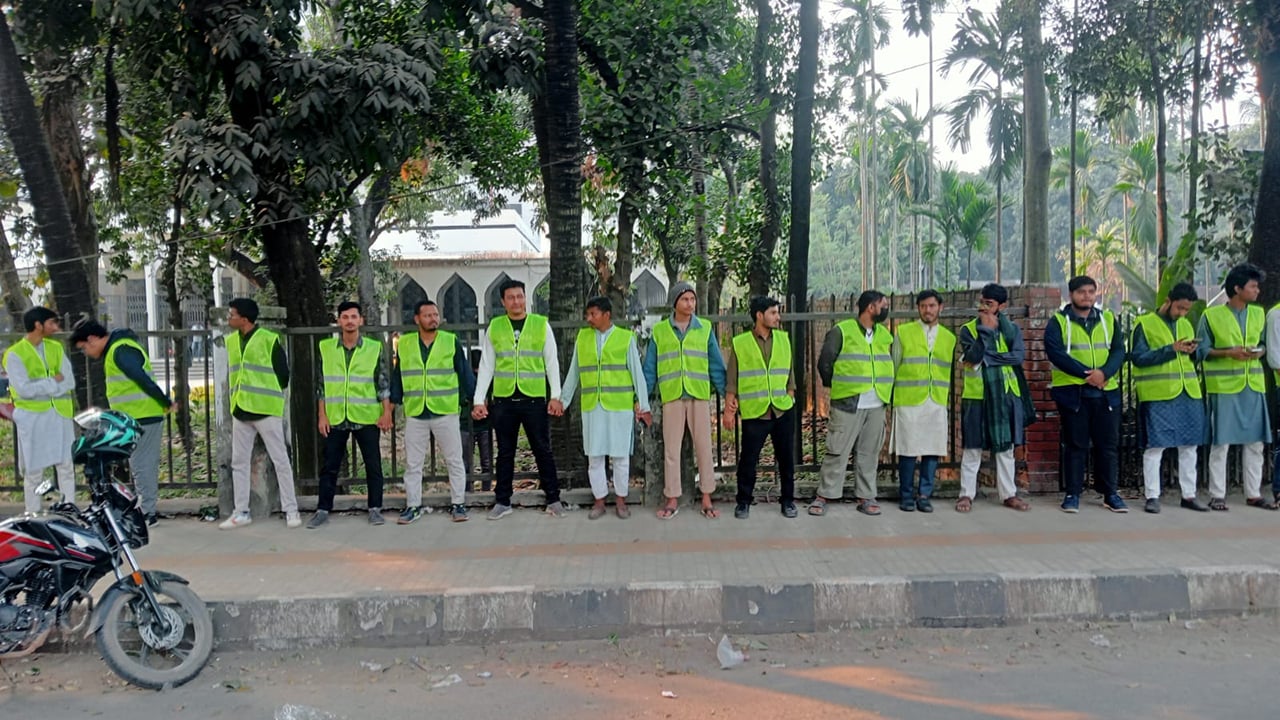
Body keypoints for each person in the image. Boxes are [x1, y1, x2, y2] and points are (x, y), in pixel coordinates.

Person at [472, 279, 563, 519]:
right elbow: (487, 365)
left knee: (542, 449)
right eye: (511, 297)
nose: (516, 301)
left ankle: (553, 498)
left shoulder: (540, 325)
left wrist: (555, 396)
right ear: (503, 301)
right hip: (503, 400)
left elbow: (551, 362)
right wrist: (479, 399)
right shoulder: (495, 327)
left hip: (533, 399)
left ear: (526, 298)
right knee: (505, 452)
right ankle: (503, 501)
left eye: (520, 296)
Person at [69, 320, 174, 525]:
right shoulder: (117, 348)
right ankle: (145, 508)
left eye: (84, 348)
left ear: (91, 339)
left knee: (142, 464)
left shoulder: (120, 350)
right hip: (136, 416)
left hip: (145, 415)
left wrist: (165, 401)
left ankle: (147, 512)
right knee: (139, 463)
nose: (86, 353)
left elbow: (141, 378)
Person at [642, 282, 727, 519]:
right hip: (672, 396)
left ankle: (707, 497)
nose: (690, 304)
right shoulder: (660, 331)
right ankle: (672, 497)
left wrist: (727, 395)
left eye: (692, 299)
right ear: (675, 303)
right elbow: (650, 368)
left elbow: (716, 365)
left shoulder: (705, 328)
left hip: (698, 395)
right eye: (685, 299)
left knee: (703, 448)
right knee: (671, 449)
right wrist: (643, 399)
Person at [561, 296, 651, 519]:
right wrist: (563, 401)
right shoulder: (583, 338)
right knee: (595, 456)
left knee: (620, 457)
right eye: (588, 314)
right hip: (593, 407)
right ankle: (599, 501)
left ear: (607, 314)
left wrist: (644, 405)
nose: (589, 318)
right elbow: (574, 372)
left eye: (593, 314)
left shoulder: (625, 338)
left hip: (619, 407)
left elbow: (637, 373)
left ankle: (621, 500)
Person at [308, 301, 393, 529]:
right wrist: (321, 416)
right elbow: (321, 385)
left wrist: (386, 412)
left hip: (366, 415)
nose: (349, 321)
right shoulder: (326, 348)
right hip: (336, 416)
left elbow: (383, 383)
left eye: (353, 317)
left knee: (373, 465)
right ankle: (323, 509)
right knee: (329, 466)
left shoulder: (374, 348)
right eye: (345, 317)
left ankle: (375, 508)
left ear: (361, 320)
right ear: (339, 321)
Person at [1046, 276, 1127, 514]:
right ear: (1071, 295)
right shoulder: (1058, 322)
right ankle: (1072, 494)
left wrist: (1104, 373)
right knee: (1075, 445)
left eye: (1091, 292)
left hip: (1105, 393)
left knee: (1108, 445)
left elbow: (1119, 349)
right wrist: (1087, 375)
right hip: (1074, 393)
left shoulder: (1108, 319)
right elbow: (1056, 354)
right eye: (1082, 292)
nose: (1087, 296)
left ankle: (1110, 493)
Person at [219, 298, 300, 529]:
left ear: (244, 318)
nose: (229, 318)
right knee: (239, 462)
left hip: (266, 409)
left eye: (231, 314)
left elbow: (283, 375)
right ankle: (241, 511)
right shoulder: (231, 341)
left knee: (280, 460)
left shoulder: (268, 339)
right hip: (241, 408)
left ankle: (290, 509)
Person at [392, 299, 475, 523]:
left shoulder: (450, 341)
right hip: (416, 411)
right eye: (428, 315)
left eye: (435, 315)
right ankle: (413, 506)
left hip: (445, 411)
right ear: (417, 319)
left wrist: (476, 400)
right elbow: (398, 375)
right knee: (413, 463)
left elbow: (463, 371)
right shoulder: (406, 343)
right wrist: (392, 404)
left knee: (454, 460)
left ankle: (458, 504)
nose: (433, 319)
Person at [1129, 283, 1209, 513]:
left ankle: (1189, 495)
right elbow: (1138, 357)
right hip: (1158, 393)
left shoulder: (1185, 324)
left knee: (1189, 445)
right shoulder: (1144, 324)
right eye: (1180, 308)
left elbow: (1187, 359)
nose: (1183, 313)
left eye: (1186, 309)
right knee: (1156, 446)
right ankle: (1152, 496)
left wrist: (1192, 351)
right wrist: (1171, 348)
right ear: (1168, 300)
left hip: (1188, 391)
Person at [812, 291, 892, 517]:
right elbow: (824, 363)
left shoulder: (883, 335)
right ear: (870, 307)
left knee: (869, 452)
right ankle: (824, 495)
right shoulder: (842, 331)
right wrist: (837, 387)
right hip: (848, 402)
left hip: (877, 402)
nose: (886, 309)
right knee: (837, 450)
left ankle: (866, 496)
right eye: (883, 305)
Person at [1199, 264, 1272, 510]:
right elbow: (1201, 351)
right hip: (1224, 386)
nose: (1257, 290)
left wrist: (1258, 351)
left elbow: (1263, 344)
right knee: (1221, 442)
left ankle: (1254, 493)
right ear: (1237, 289)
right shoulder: (1211, 315)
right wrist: (1228, 353)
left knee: (1256, 442)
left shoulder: (1259, 313)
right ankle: (1217, 494)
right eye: (1253, 286)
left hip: (1253, 384)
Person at [956, 284, 1032, 512]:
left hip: (1006, 395)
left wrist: (991, 358)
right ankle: (966, 494)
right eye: (982, 302)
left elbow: (1018, 356)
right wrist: (986, 333)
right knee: (973, 447)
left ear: (1002, 306)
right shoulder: (969, 329)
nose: (984, 307)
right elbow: (973, 356)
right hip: (977, 396)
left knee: (1005, 447)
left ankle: (1008, 494)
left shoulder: (1012, 330)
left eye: (989, 304)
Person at [723, 296, 796, 519]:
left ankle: (788, 501)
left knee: (786, 459)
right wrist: (729, 405)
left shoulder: (783, 339)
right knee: (748, 460)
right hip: (756, 410)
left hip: (782, 409)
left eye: (777, 312)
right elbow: (733, 377)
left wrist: (791, 395)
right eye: (773, 313)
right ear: (759, 315)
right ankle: (743, 501)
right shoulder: (741, 342)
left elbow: (789, 371)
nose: (778, 317)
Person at [3, 307, 75, 514]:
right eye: (52, 323)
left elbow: (68, 380)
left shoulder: (56, 347)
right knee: (34, 470)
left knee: (65, 466)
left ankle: (68, 510)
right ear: (38, 325)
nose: (56, 327)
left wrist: (43, 387)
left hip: (59, 413)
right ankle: (32, 514)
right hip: (32, 417)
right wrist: (53, 382)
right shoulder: (15, 354)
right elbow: (24, 390)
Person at [891, 290, 955, 513]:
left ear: (940, 308)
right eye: (923, 306)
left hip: (936, 399)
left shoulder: (949, 337)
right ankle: (906, 495)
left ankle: (924, 495)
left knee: (932, 449)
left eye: (931, 306)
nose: (928, 310)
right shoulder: (904, 332)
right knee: (907, 449)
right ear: (918, 308)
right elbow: (894, 364)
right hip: (908, 399)